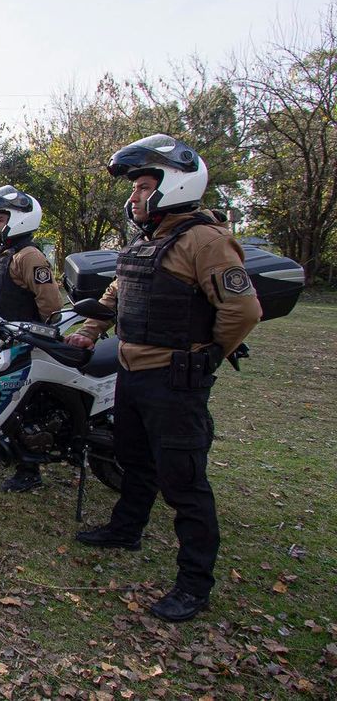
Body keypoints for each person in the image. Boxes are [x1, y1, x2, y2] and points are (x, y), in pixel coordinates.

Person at [66, 134, 261, 622]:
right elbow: (116, 293)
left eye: (143, 186)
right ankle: (125, 528)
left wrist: (206, 355)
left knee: (184, 482)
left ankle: (194, 584)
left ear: (174, 184)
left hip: (174, 383)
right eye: (133, 189)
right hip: (132, 374)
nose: (134, 197)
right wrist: (89, 331)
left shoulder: (206, 240)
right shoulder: (148, 240)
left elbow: (242, 309)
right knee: (133, 460)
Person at [0, 185, 64, 493]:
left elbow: (51, 306)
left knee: (23, 405)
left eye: (1, 219)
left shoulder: (29, 256)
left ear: (19, 219)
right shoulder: (4, 255)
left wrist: (39, 337)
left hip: (24, 343)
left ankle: (30, 468)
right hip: (1, 339)